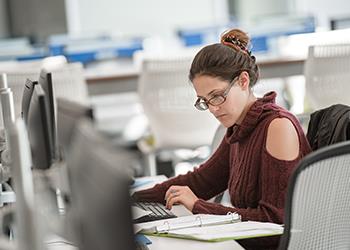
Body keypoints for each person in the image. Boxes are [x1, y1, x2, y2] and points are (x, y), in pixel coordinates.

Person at [133, 28, 311, 247]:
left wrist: (199, 206)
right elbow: (201, 181)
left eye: (217, 96)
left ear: (243, 81)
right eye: (204, 101)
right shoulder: (240, 126)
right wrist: (131, 198)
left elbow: (276, 223)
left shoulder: (277, 127)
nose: (213, 109)